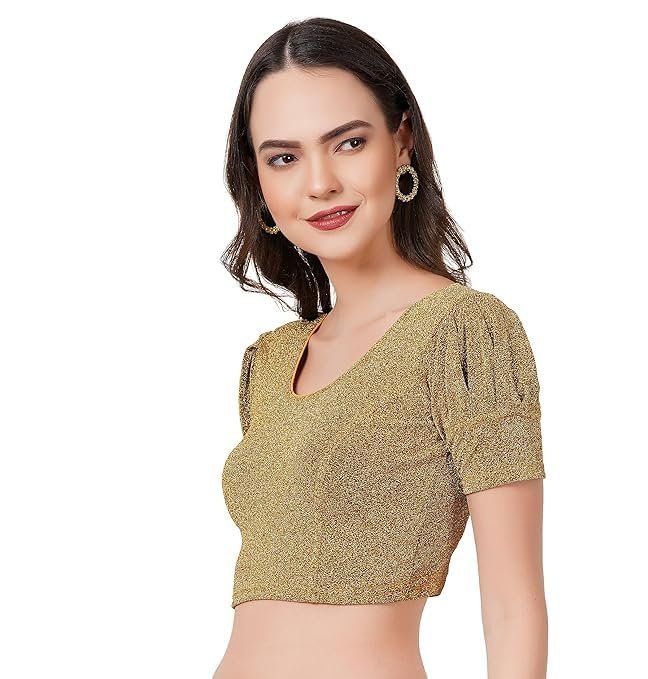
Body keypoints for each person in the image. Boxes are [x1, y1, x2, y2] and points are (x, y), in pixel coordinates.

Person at [214, 17, 548, 679]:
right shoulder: (268, 362)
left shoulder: (464, 331)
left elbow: (513, 606)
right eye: (283, 157)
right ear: (258, 182)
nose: (320, 183)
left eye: (348, 142)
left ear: (401, 142)